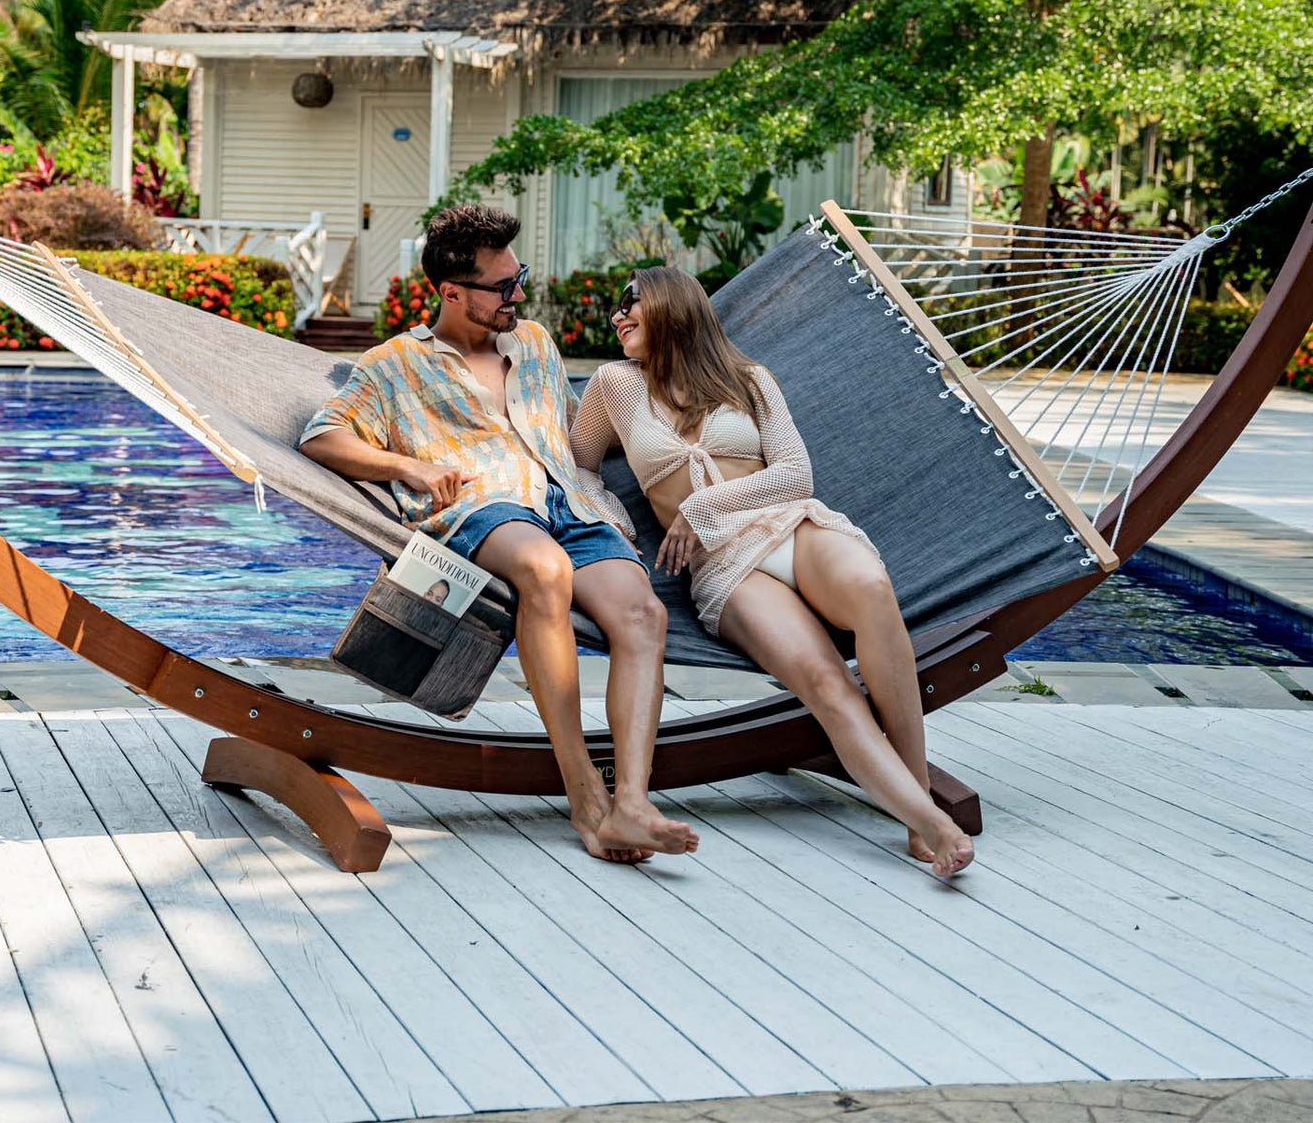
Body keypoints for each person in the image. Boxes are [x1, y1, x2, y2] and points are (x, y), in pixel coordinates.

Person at [300, 205, 697, 863]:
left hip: (568, 500)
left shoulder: (535, 344)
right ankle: (585, 799)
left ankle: (631, 802)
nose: (519, 295)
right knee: (545, 571)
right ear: (451, 292)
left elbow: (578, 432)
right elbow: (322, 434)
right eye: (503, 286)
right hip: (482, 507)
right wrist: (410, 465)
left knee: (643, 612)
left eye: (521, 279)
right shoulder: (395, 364)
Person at [570, 267, 974, 877]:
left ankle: (913, 791)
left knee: (872, 588)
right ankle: (932, 823)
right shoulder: (613, 386)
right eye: (616, 308)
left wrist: (699, 505)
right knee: (824, 679)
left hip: (792, 525)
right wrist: (615, 523)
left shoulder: (748, 379)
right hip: (725, 566)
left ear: (674, 307)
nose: (617, 316)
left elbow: (795, 474)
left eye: (631, 304)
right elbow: (576, 467)